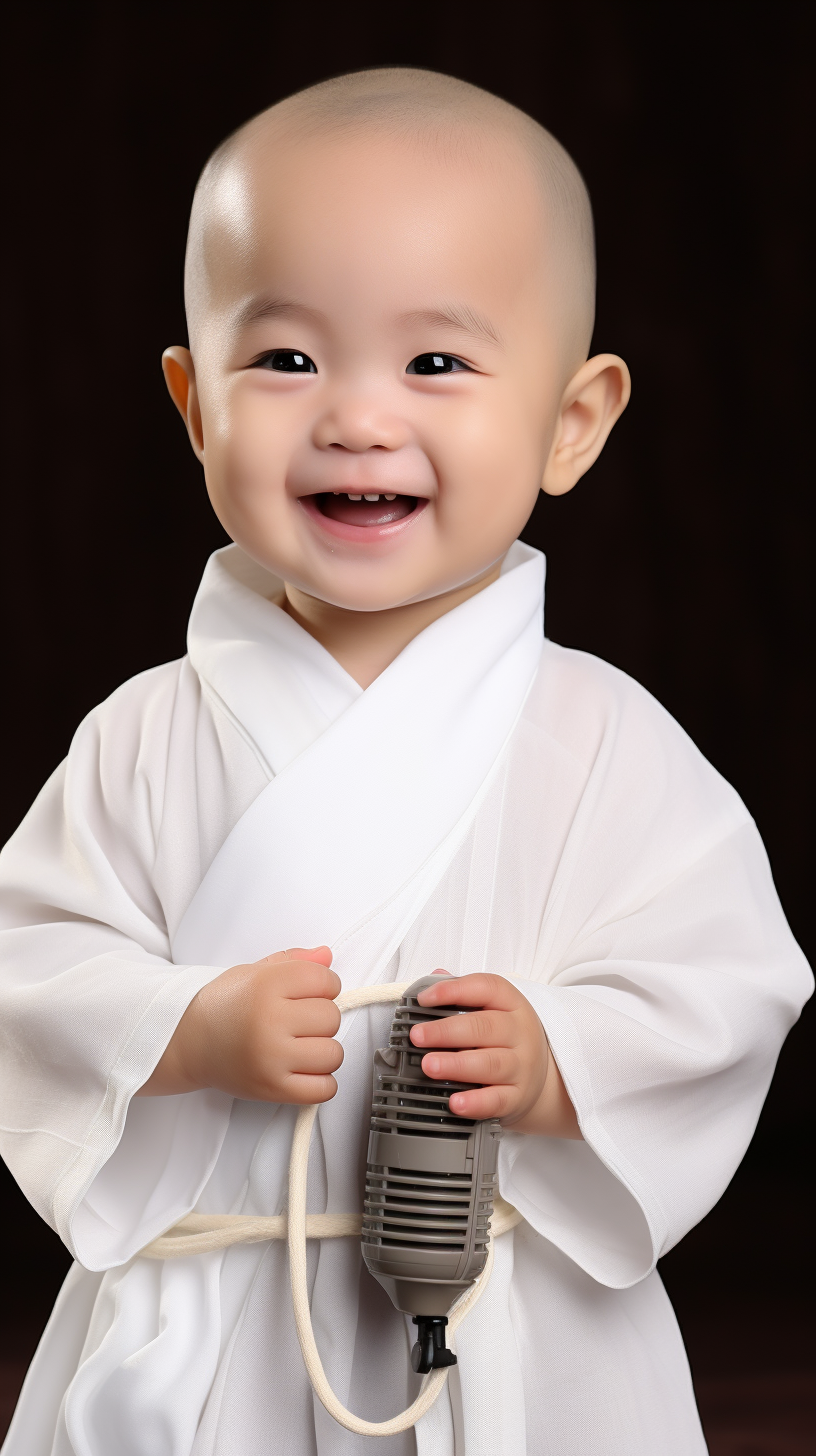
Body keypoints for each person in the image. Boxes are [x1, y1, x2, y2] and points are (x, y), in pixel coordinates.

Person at [0, 67, 810, 1456]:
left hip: (503, 1317)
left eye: (436, 363)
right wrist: (183, 1030)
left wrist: (558, 1061)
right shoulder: (141, 737)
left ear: (574, 420)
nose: (358, 418)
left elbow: (725, 984)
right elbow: (30, 968)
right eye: (288, 358)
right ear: (194, 405)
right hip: (207, 1308)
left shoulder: (603, 740)